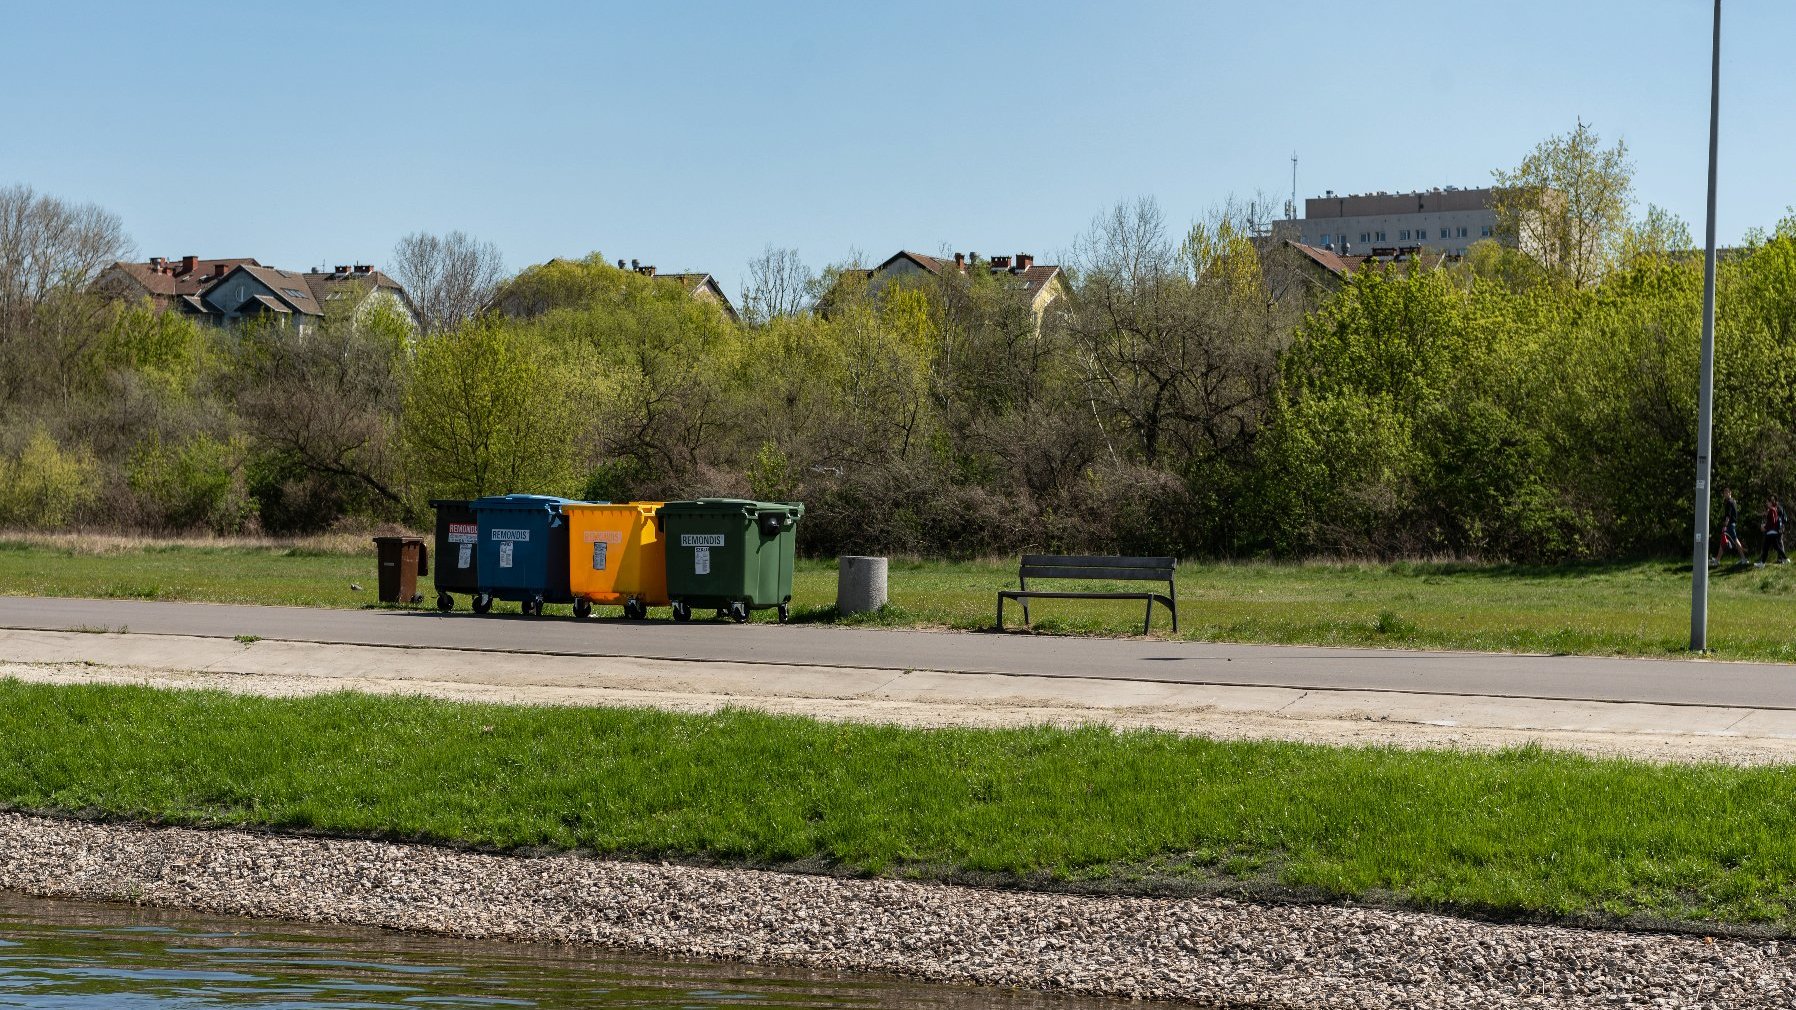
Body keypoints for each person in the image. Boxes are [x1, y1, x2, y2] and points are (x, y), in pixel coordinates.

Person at [1714, 488, 1748, 566]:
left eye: (1726, 493)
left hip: (1729, 525)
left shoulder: (1729, 502)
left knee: (1735, 540)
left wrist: (1725, 525)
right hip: (1732, 524)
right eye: (1724, 493)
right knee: (1724, 541)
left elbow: (1728, 516)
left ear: (1730, 493)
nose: (1725, 494)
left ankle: (1744, 559)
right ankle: (1717, 560)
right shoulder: (1734, 501)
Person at [1758, 496, 1790, 567]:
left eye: (1768, 502)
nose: (1766, 503)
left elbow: (1773, 521)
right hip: (1772, 532)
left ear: (1771, 502)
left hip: (1773, 531)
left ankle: (1763, 563)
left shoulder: (1773, 509)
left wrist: (1765, 527)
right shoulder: (1772, 509)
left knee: (1773, 546)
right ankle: (1785, 559)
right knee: (1775, 547)